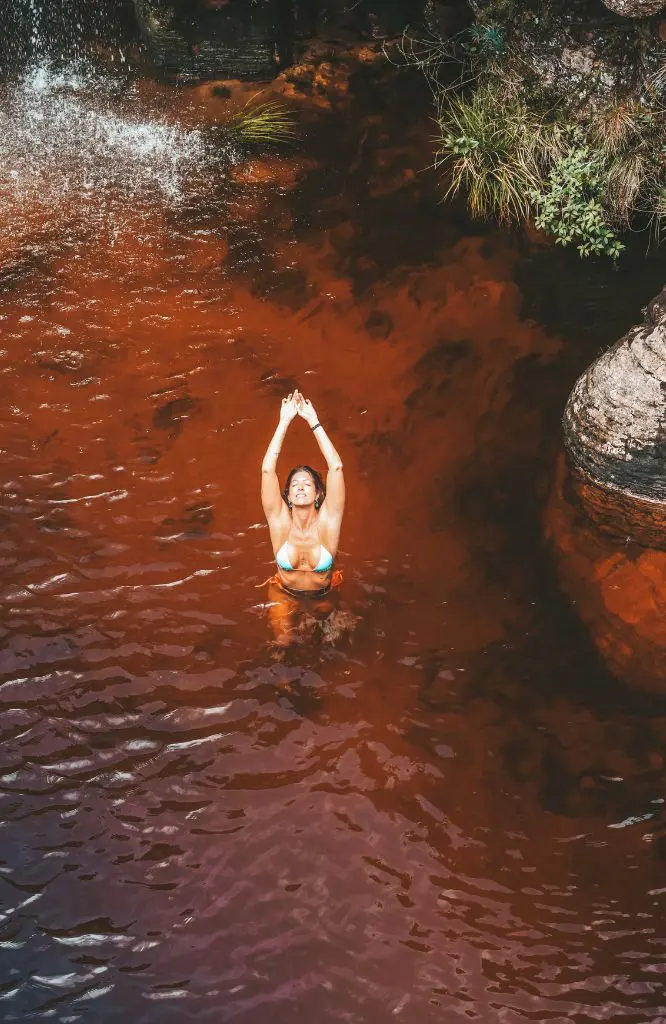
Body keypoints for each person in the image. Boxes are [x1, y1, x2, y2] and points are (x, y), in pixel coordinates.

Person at [260, 390, 345, 645]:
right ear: (287, 495)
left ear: (318, 492)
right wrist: (283, 422)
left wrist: (313, 421)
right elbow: (267, 469)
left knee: (334, 644)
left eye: (307, 483)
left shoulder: (328, 522)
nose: (300, 487)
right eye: (295, 484)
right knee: (282, 646)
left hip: (324, 593)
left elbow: (336, 468)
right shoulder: (280, 522)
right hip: (284, 592)